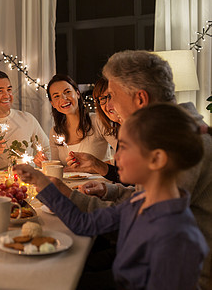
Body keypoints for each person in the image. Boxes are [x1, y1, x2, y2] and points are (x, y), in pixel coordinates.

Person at [58, 50, 212, 289]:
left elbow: (140, 217)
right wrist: (108, 191)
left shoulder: (180, 144)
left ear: (140, 99)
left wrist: (69, 198)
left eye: (112, 95)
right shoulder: (160, 135)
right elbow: (142, 199)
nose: (109, 105)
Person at [14, 103, 209, 290]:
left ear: (157, 158)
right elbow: (85, 224)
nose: (115, 157)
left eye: (124, 147)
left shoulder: (177, 238)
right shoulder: (140, 201)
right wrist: (42, 183)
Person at [39, 74, 115, 168]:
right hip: (69, 183)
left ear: (77, 94)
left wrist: (93, 166)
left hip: (100, 182)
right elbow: (59, 168)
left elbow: (123, 156)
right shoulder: (55, 132)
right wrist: (46, 164)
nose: (63, 98)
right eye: (56, 96)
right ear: (52, 104)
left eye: (67, 92)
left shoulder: (98, 121)